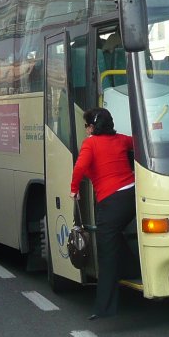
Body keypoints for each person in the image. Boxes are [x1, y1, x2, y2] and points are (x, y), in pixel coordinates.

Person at [70, 108, 136, 320]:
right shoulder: (120, 140)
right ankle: (133, 269)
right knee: (117, 236)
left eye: (86, 126)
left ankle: (104, 308)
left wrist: (74, 189)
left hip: (111, 202)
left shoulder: (91, 143)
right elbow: (138, 143)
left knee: (106, 255)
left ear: (91, 127)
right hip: (133, 196)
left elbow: (79, 167)